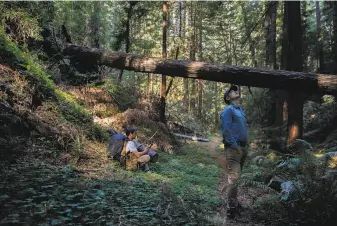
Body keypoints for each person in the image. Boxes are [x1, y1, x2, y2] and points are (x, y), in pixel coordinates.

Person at [220, 85, 248, 219]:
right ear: (228, 97)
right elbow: (226, 130)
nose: (235, 91)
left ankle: (234, 203)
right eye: (232, 91)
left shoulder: (240, 110)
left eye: (235, 90)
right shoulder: (228, 110)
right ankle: (231, 210)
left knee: (237, 178)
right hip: (234, 149)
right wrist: (235, 145)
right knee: (234, 178)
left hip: (243, 148)